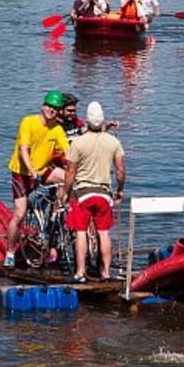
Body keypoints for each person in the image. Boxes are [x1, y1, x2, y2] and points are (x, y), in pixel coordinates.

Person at [57, 101, 125, 282]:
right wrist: (120, 191)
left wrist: (65, 191)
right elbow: (120, 171)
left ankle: (80, 272)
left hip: (82, 194)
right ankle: (106, 272)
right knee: (104, 233)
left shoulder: (78, 143)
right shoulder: (113, 142)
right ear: (102, 121)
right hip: (104, 194)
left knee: (80, 232)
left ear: (87, 121)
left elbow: (70, 172)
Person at [5, 90, 70, 268]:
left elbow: (69, 153)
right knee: (19, 214)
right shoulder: (29, 122)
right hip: (22, 173)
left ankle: (57, 212)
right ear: (43, 106)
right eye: (49, 106)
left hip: (42, 170)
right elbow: (23, 150)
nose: (52, 110)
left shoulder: (57, 129)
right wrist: (32, 171)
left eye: (56, 108)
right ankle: (10, 253)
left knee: (68, 179)